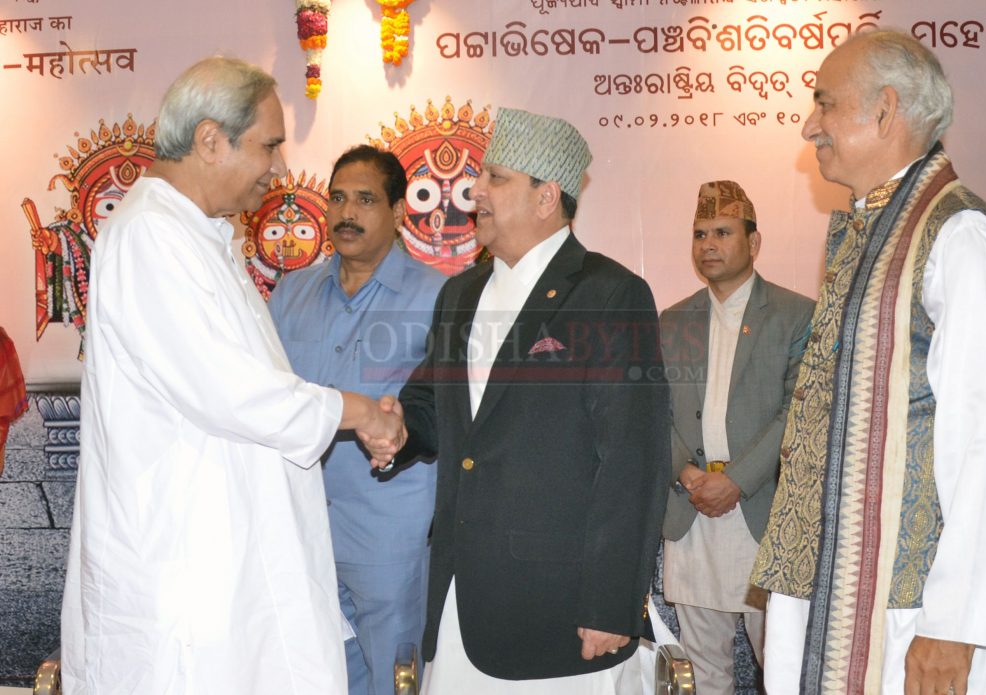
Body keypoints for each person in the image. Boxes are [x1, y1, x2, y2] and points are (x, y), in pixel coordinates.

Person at [60, 57, 403, 695]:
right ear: (211, 140)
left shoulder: (198, 236)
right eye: (268, 144)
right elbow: (228, 391)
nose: (275, 166)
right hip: (188, 573)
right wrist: (357, 411)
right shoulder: (149, 238)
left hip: (231, 563)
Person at [750, 30, 986, 695]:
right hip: (825, 596)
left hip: (913, 621)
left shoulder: (962, 237)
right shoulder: (866, 229)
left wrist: (955, 623)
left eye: (824, 104)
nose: (808, 125)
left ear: (884, 110)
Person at [375, 107, 670, 693]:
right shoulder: (459, 293)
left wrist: (612, 602)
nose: (474, 192)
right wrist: (398, 428)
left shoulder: (610, 295)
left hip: (562, 613)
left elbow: (633, 458)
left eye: (496, 179)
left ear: (545, 196)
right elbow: (434, 404)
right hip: (461, 595)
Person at [269, 145, 446, 695]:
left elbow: (443, 410)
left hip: (388, 529)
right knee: (310, 669)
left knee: (395, 674)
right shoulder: (290, 293)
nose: (347, 213)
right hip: (296, 523)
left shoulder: (440, 295)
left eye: (365, 200)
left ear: (398, 212)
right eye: (338, 198)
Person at [659, 180, 814, 694]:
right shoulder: (672, 320)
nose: (708, 245)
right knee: (704, 671)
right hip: (692, 508)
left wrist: (738, 481)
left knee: (784, 665)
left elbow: (802, 409)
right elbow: (655, 413)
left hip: (763, 511)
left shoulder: (796, 315)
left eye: (723, 232)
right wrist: (686, 474)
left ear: (755, 241)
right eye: (700, 233)